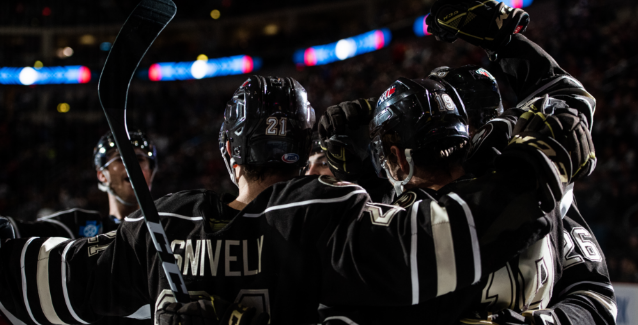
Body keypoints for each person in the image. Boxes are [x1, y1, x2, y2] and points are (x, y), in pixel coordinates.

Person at [0, 75, 585, 325]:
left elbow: (48, 282)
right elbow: (452, 237)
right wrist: (545, 158)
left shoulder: (169, 223)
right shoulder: (333, 216)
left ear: (229, 154)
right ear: (307, 149)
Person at [1, 130, 157, 240]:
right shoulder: (76, 227)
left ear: (151, 172)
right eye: (120, 158)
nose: (132, 165)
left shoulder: (170, 226)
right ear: (102, 175)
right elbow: (14, 231)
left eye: (140, 158)